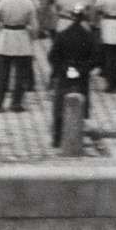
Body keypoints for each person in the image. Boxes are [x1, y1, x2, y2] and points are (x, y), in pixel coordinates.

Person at [47, 13, 103, 148]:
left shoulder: (62, 35)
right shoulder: (89, 37)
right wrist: (85, 69)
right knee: (81, 105)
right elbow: (97, 59)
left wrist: (62, 69)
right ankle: (77, 137)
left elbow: (52, 56)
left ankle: (57, 138)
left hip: (65, 74)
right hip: (82, 75)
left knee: (60, 105)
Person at [0, 0, 39, 111]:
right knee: (20, 75)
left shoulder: (4, 1)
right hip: (22, 38)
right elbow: (34, 26)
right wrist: (33, 37)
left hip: (5, 37)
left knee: (3, 75)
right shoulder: (28, 3)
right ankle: (16, 103)